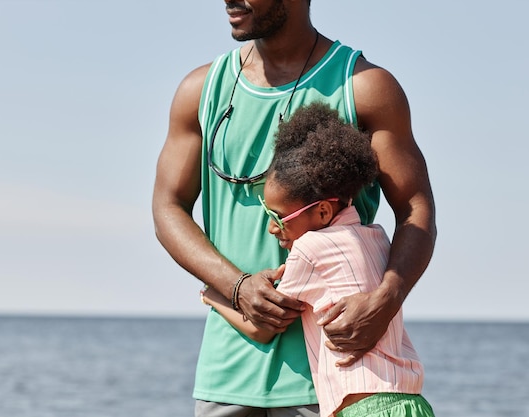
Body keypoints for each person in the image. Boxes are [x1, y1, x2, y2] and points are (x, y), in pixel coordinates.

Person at [152, 1, 436, 415]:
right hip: (227, 376)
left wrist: (387, 299)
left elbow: (415, 206)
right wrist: (237, 286)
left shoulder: (364, 86)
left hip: (338, 380)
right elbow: (167, 206)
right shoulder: (200, 90)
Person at [201, 102, 435, 417]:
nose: (272, 227)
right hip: (409, 402)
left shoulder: (310, 248)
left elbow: (265, 326)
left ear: (323, 211)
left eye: (278, 217)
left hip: (362, 409)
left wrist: (213, 294)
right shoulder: (378, 238)